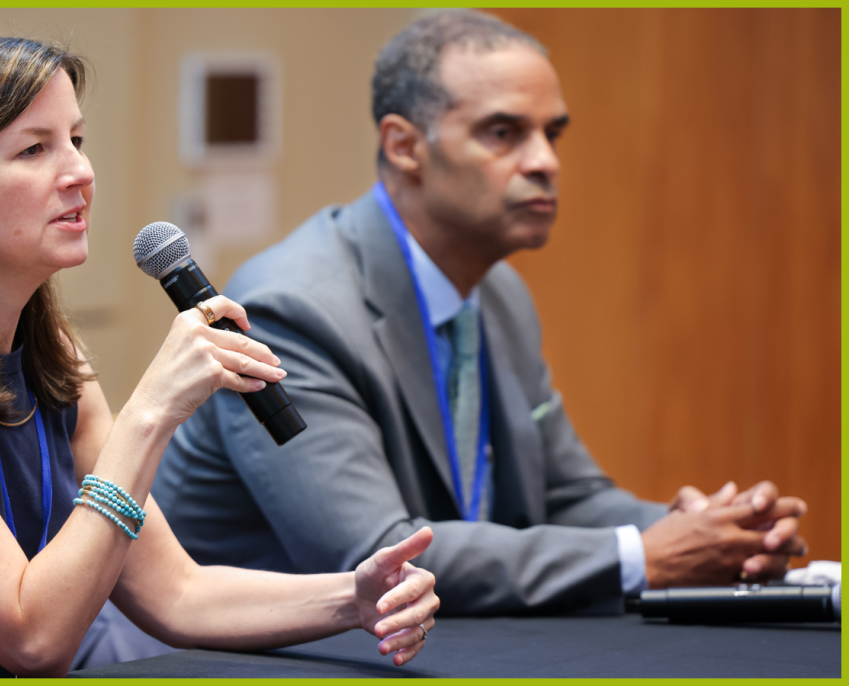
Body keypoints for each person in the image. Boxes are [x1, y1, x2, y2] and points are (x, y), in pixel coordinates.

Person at [0, 33, 439, 677]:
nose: (80, 173)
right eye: (34, 150)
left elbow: (176, 593)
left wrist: (351, 598)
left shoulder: (46, 350)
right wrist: (151, 411)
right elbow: (32, 640)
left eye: (77, 141)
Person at [151, 10, 808, 616]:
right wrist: (647, 555)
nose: (545, 162)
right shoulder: (291, 309)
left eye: (552, 134)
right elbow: (377, 558)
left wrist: (704, 531)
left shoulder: (499, 296)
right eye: (504, 133)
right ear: (405, 146)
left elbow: (568, 496)